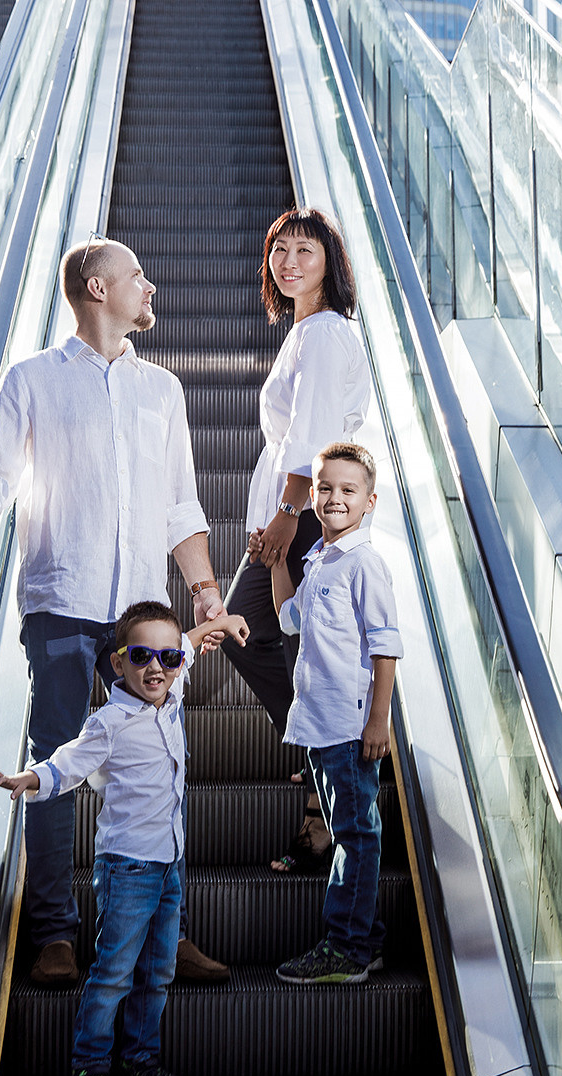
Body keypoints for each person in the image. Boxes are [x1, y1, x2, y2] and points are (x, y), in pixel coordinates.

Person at [0, 236, 229, 985]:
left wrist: (207, 592)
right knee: (55, 765)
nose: (151, 288)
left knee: (154, 773)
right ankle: (53, 933)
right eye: (137, 277)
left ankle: (160, 931)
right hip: (61, 600)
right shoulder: (32, 381)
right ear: (95, 287)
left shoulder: (164, 391)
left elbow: (181, 501)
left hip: (145, 616)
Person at [0, 601, 250, 1076]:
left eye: (167, 659)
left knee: (159, 969)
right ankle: (88, 1067)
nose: (158, 667)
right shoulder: (109, 721)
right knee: (114, 970)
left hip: (171, 863)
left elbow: (187, 645)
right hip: (127, 866)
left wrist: (218, 623)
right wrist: (30, 777)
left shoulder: (172, 692)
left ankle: (139, 1061)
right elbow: (68, 763)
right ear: (118, 662)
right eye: (143, 656)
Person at [221, 207, 372, 872]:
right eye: (279, 251)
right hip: (294, 511)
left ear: (331, 264)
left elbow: (309, 437)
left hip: (306, 514)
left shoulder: (325, 334)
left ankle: (333, 768)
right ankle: (324, 776)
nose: (288, 262)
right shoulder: (308, 333)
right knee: (272, 638)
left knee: (249, 626)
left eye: (304, 251)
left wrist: (286, 513)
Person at [269, 443, 403, 984]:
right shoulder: (320, 560)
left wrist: (380, 719)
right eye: (325, 487)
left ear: (370, 501)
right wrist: (278, 562)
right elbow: (288, 620)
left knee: (354, 835)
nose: (334, 498)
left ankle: (345, 948)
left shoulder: (365, 563)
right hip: (320, 726)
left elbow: (385, 644)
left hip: (350, 728)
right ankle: (365, 939)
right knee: (349, 830)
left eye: (348, 490)